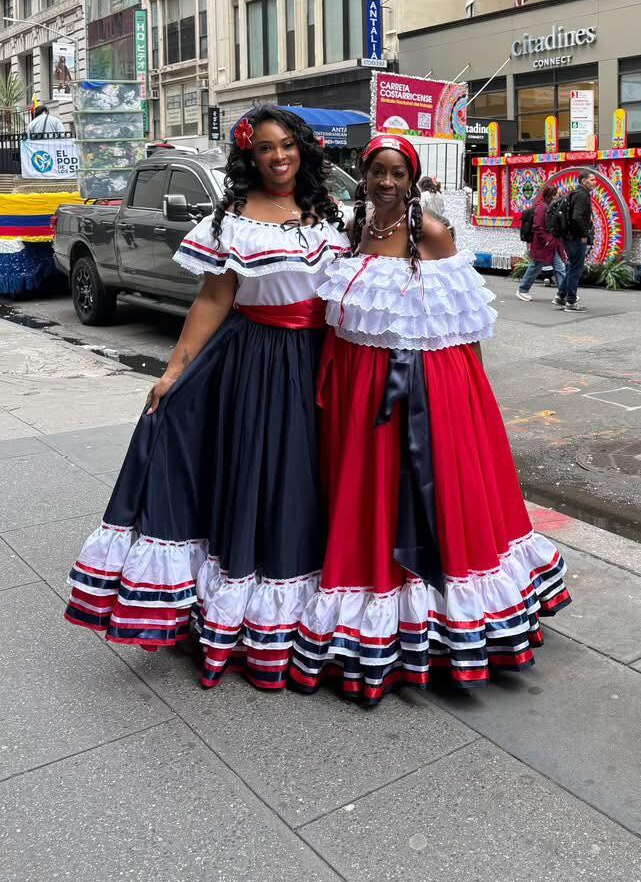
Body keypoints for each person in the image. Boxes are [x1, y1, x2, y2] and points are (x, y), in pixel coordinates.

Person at [64, 105, 349, 692]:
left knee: (320, 479)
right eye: (265, 148)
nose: (278, 157)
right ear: (250, 156)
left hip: (326, 361)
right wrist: (174, 371)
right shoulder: (234, 219)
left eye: (287, 145)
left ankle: (323, 608)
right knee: (266, 477)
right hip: (260, 361)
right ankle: (252, 614)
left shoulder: (332, 213)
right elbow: (214, 301)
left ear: (303, 149)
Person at [291, 135, 571, 705]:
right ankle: (379, 601)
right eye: (378, 171)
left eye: (397, 173)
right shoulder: (354, 229)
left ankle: (441, 617)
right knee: (370, 491)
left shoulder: (433, 233)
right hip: (358, 384)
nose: (386, 182)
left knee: (430, 490)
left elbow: (462, 322)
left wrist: (472, 397)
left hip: (422, 384)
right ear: (364, 175)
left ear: (411, 178)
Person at [555, 169, 596, 312]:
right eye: (592, 180)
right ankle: (571, 302)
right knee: (576, 270)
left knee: (573, 267)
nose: (595, 183)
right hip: (576, 238)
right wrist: (584, 234)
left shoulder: (576, 193)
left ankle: (561, 296)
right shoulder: (582, 195)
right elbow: (577, 216)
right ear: (584, 181)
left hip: (570, 236)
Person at [516, 185, 566, 302]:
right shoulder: (542, 208)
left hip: (551, 244)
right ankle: (522, 289)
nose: (559, 196)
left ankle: (564, 293)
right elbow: (538, 227)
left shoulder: (550, 207)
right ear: (552, 196)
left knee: (559, 268)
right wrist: (547, 240)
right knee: (535, 267)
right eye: (557, 194)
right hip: (542, 245)